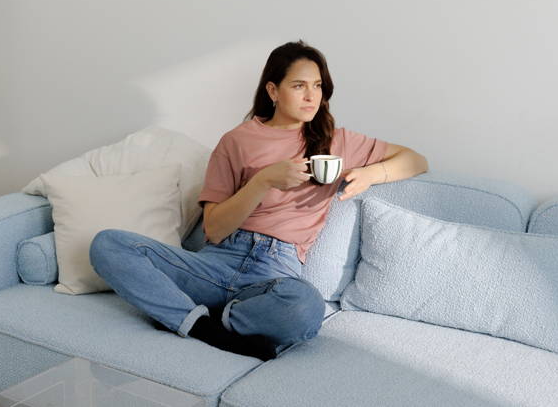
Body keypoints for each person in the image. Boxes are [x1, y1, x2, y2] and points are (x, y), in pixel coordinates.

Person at [89, 40, 429, 360]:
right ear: (273, 90)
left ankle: (213, 319)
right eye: (299, 86)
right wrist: (264, 180)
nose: (312, 96)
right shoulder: (237, 141)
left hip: (274, 273)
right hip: (216, 261)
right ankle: (202, 327)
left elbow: (416, 160)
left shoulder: (333, 141)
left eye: (318, 86)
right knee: (108, 244)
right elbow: (215, 228)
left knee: (306, 306)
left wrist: (370, 175)